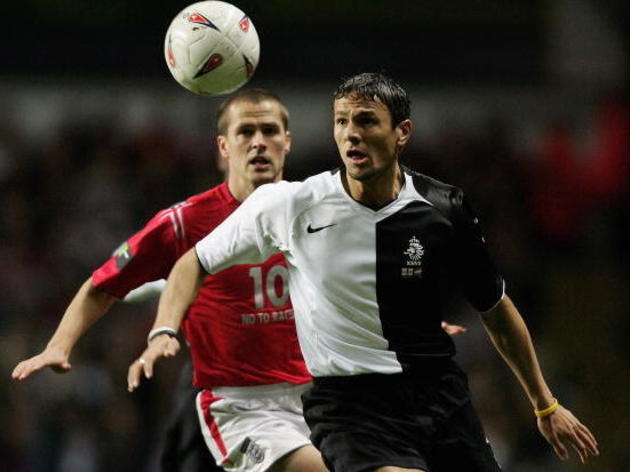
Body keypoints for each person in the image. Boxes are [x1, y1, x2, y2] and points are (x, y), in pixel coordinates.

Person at [134, 73, 600, 472]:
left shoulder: (442, 209)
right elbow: (193, 261)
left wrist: (545, 404)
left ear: (402, 132)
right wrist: (165, 329)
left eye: (366, 121)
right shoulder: (291, 205)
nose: (351, 134)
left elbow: (495, 309)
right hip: (350, 408)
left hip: (441, 397)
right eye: (342, 122)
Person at [12, 89, 324, 472]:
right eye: (245, 131)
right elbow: (103, 285)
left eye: (269, 131)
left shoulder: (321, 212)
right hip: (244, 408)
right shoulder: (183, 223)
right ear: (224, 147)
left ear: (287, 141)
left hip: (320, 396)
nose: (258, 142)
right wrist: (59, 346)